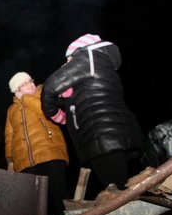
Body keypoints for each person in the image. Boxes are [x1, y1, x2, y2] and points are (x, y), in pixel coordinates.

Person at [41, 34, 144, 190]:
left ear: (78, 51)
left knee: (116, 192)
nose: (67, 63)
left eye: (69, 58)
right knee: (124, 186)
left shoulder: (86, 58)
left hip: (100, 134)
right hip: (113, 133)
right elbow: (86, 94)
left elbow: (49, 88)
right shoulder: (100, 63)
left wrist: (59, 116)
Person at [5, 72, 70, 215]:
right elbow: (9, 136)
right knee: (35, 205)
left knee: (59, 195)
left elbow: (46, 111)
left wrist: (25, 98)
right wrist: (10, 160)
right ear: (16, 89)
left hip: (49, 152)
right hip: (25, 161)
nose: (31, 84)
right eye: (25, 83)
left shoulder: (43, 95)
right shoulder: (11, 110)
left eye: (31, 80)